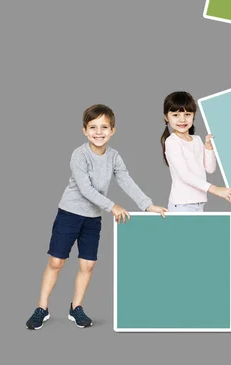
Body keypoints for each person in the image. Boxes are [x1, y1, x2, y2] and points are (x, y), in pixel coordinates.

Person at [26, 104, 167, 330]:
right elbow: (85, 189)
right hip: (70, 214)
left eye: (104, 127)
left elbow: (126, 181)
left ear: (113, 130)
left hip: (92, 218)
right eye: (93, 127)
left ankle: (76, 308)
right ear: (84, 130)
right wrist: (113, 207)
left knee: (88, 265)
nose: (98, 132)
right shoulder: (79, 154)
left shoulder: (114, 156)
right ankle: (42, 308)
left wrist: (147, 205)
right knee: (56, 261)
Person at [161, 91, 231, 211]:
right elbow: (185, 175)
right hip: (182, 204)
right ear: (166, 117)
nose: (182, 119)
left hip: (199, 202)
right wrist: (216, 190)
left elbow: (210, 169)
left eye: (187, 114)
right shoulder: (172, 142)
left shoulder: (197, 140)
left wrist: (208, 147)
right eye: (176, 115)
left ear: (194, 115)